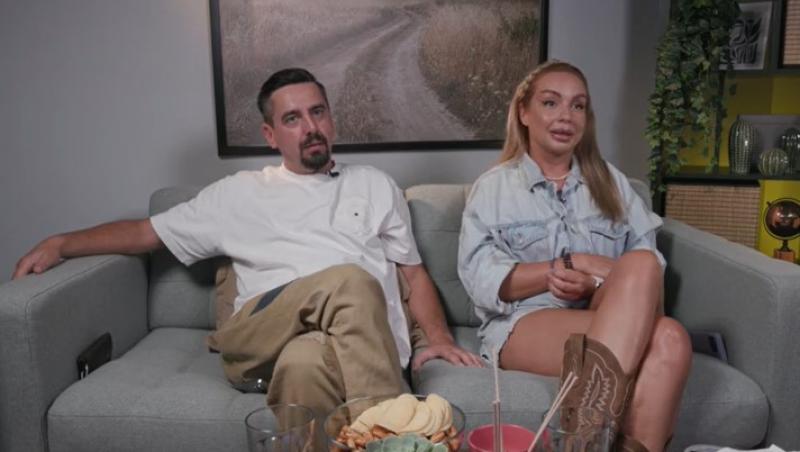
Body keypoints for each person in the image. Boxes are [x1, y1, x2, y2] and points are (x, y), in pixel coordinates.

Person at [13, 67, 482, 418]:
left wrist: (438, 340)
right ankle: (392, 432)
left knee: (303, 365)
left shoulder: (374, 185)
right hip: (260, 337)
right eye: (292, 118)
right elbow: (144, 233)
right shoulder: (239, 194)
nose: (310, 127)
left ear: (332, 120)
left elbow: (413, 273)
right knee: (353, 282)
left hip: (335, 349)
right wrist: (61, 242)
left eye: (317, 112)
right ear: (270, 134)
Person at [457, 60, 691, 452]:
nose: (566, 116)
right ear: (524, 112)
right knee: (670, 338)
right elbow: (482, 281)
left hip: (611, 313)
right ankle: (586, 443)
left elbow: (648, 276)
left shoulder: (612, 184)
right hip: (525, 322)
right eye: (551, 103)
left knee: (649, 276)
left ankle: (582, 443)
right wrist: (563, 267)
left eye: (578, 106)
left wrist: (592, 277)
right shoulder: (494, 188)